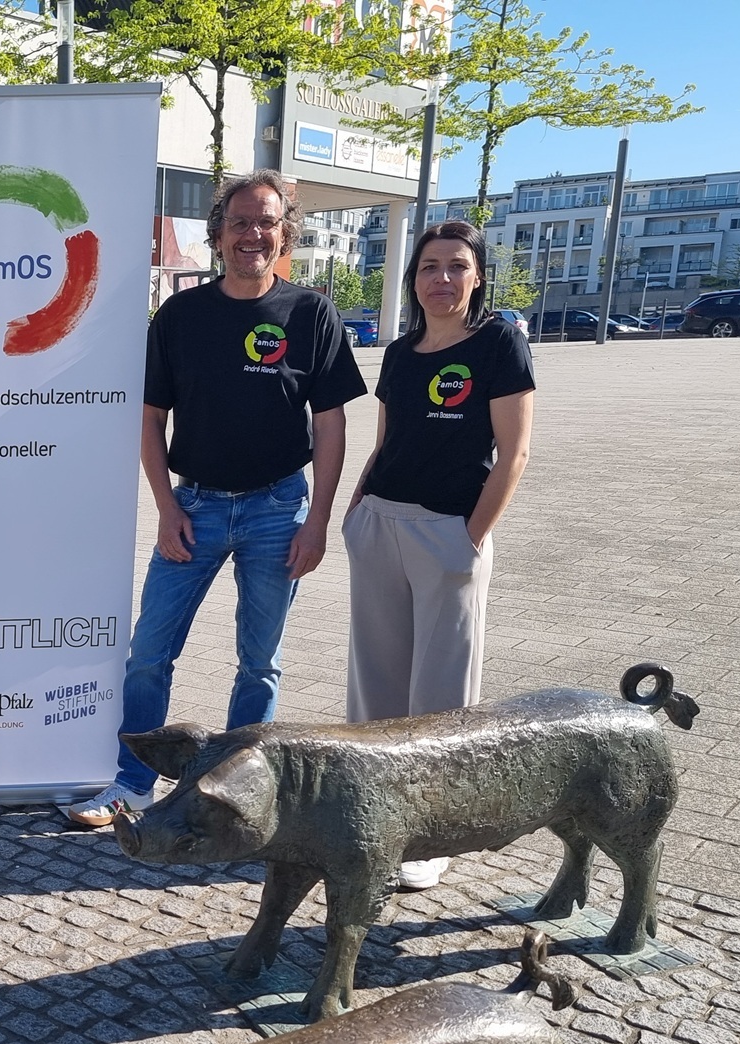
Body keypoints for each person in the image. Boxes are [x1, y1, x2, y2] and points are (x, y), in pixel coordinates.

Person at [67, 170, 367, 827]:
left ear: (285, 233)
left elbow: (331, 424)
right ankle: (132, 784)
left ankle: (235, 793)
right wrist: (166, 508)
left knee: (260, 664)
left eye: (266, 222)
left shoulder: (311, 314)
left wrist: (317, 520)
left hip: (278, 510)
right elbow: (149, 419)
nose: (252, 234)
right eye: (240, 222)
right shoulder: (180, 316)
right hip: (195, 509)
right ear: (219, 233)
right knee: (149, 654)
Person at [341, 218, 536, 890]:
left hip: (449, 531)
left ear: (477, 277)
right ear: (413, 278)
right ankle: (373, 811)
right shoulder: (400, 353)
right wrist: (356, 513)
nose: (442, 278)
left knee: (443, 693)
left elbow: (514, 454)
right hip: (380, 526)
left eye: (457, 266)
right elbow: (384, 442)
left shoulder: (499, 343)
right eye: (429, 267)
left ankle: (433, 832)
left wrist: (471, 536)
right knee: (376, 684)